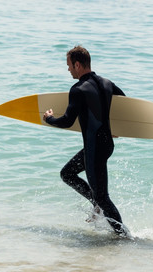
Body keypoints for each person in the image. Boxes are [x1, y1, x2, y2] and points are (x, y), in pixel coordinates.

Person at [43, 46, 127, 236]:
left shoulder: (78, 89)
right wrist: (114, 128)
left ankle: (123, 236)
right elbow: (124, 102)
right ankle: (96, 203)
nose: (68, 70)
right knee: (68, 173)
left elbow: (66, 121)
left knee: (103, 197)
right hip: (106, 145)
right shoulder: (107, 83)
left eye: (69, 66)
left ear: (78, 65)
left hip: (94, 147)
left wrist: (49, 119)